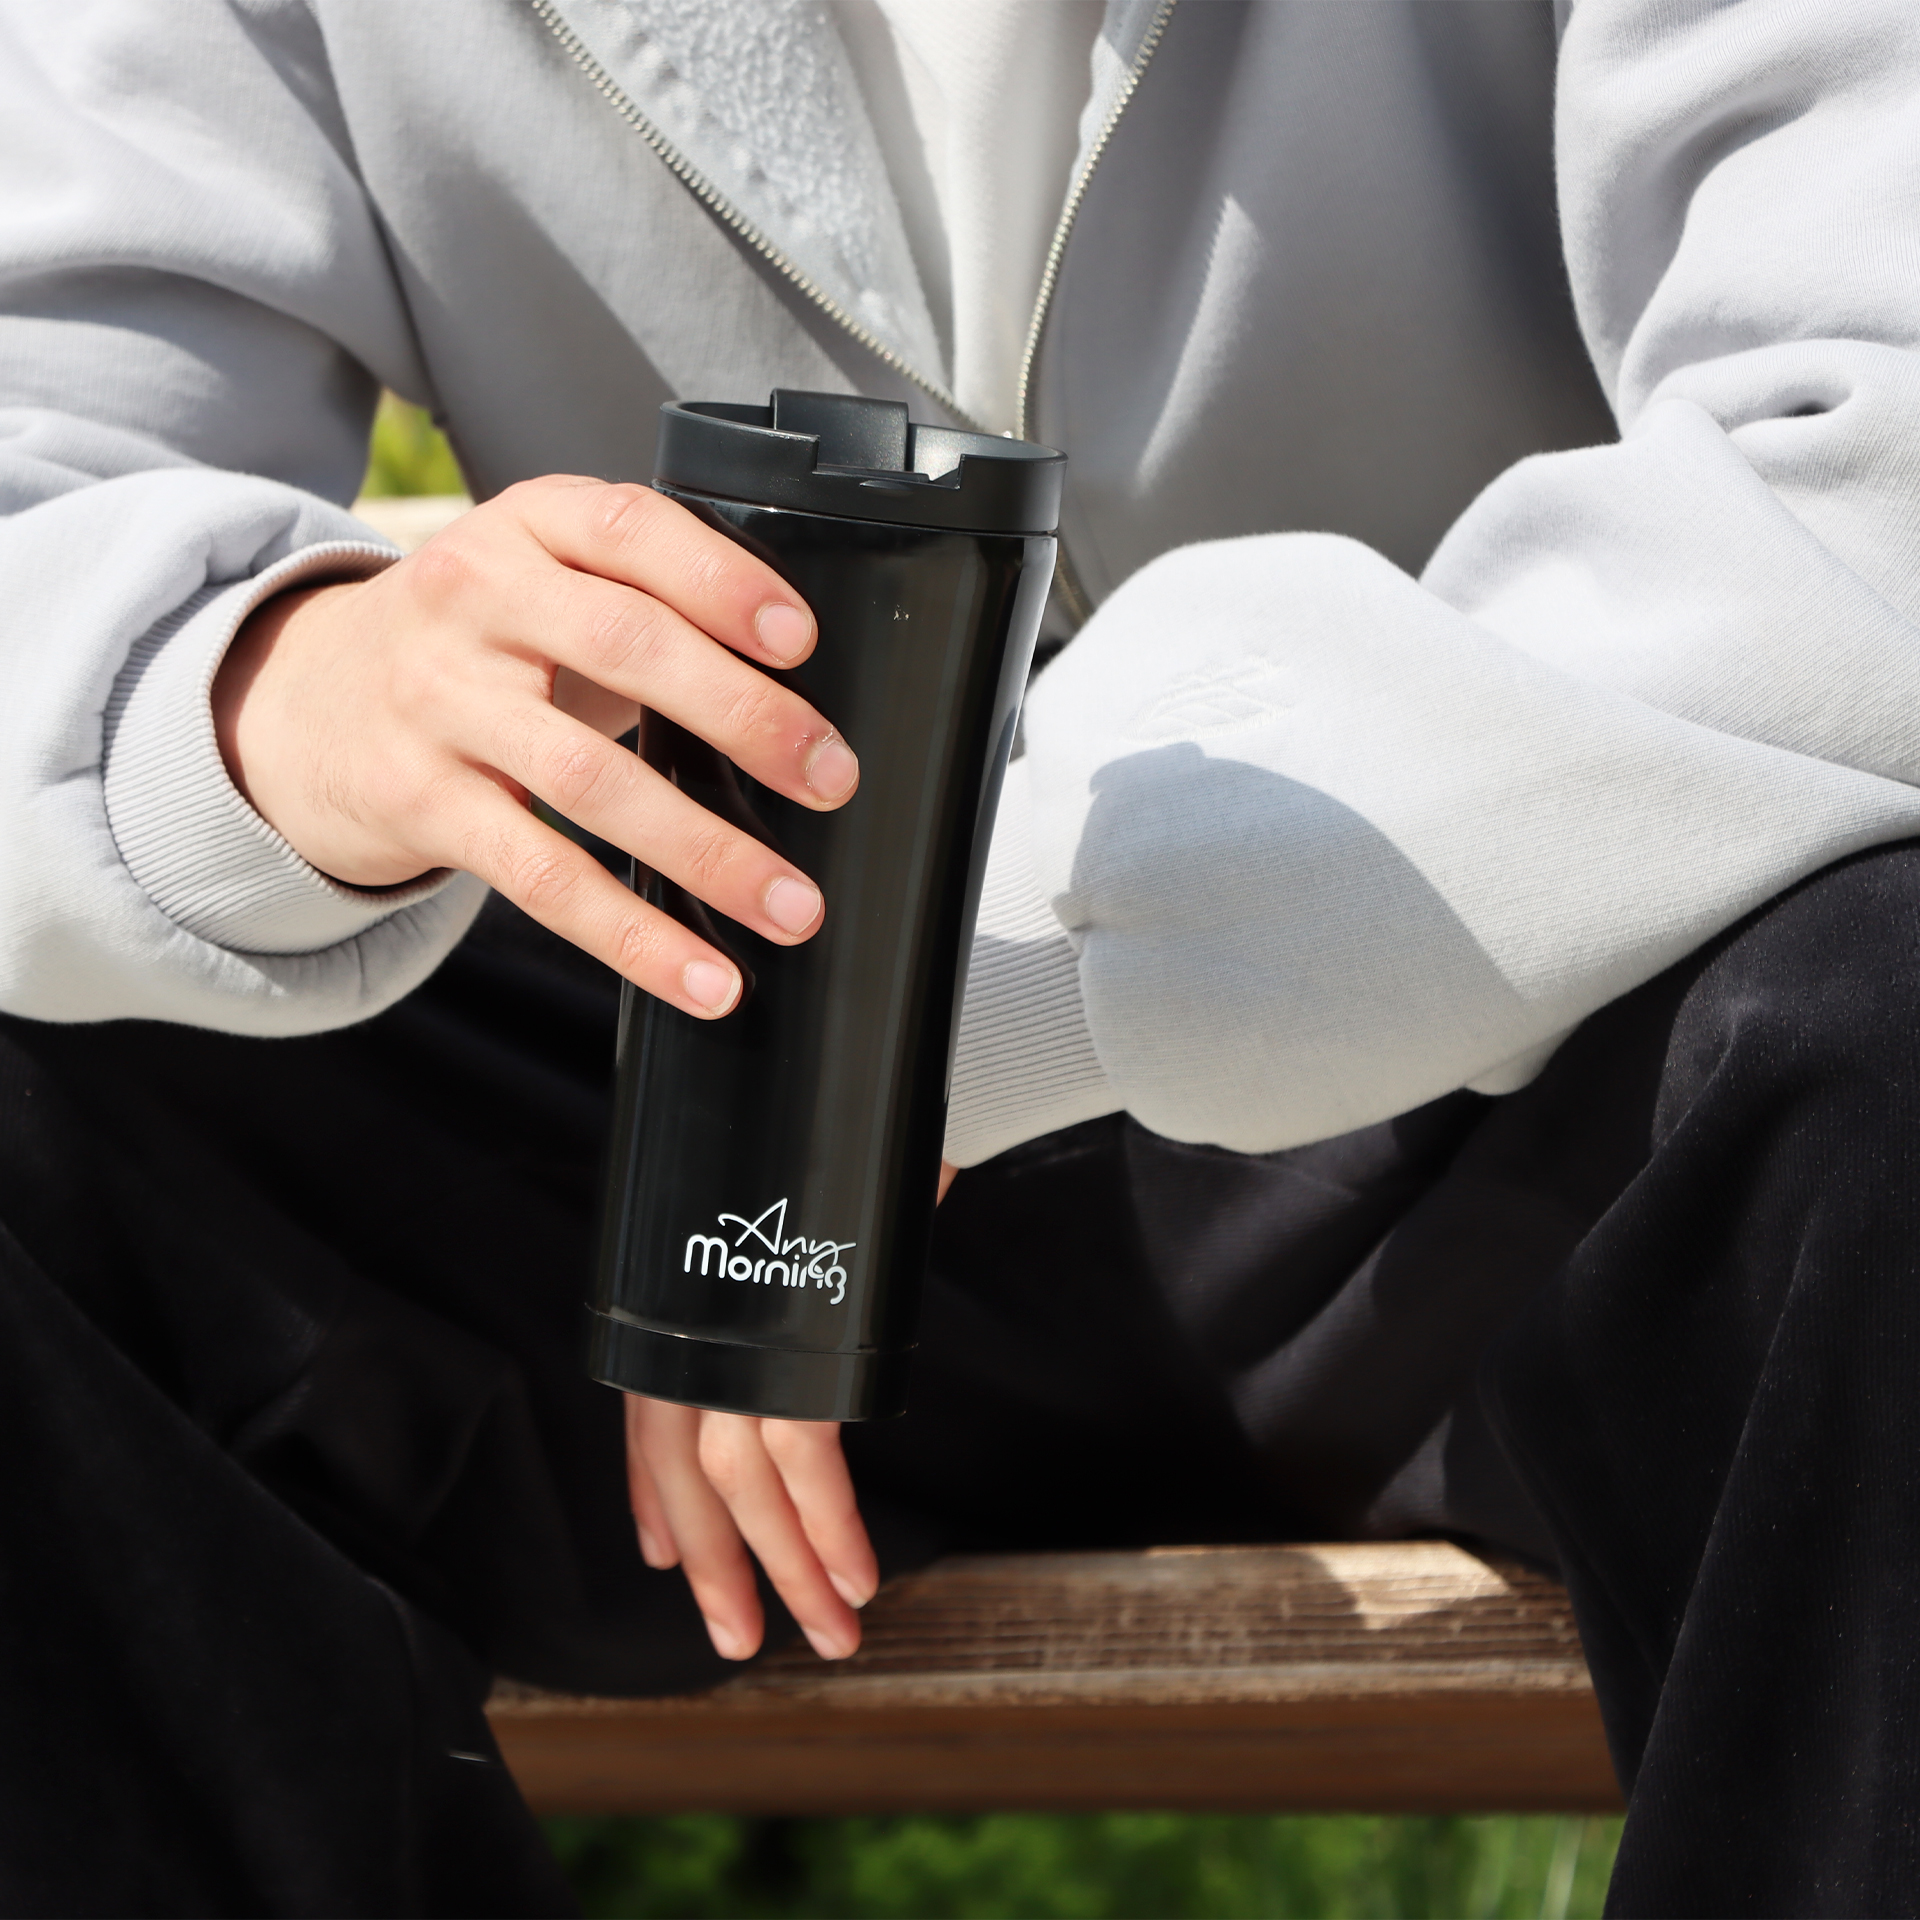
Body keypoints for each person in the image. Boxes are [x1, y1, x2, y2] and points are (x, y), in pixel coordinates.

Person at [3, 0, 1918, 1911]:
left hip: (1543, 1042)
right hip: (659, 1149)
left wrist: (932, 998)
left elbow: (1876, 467)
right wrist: (265, 705)